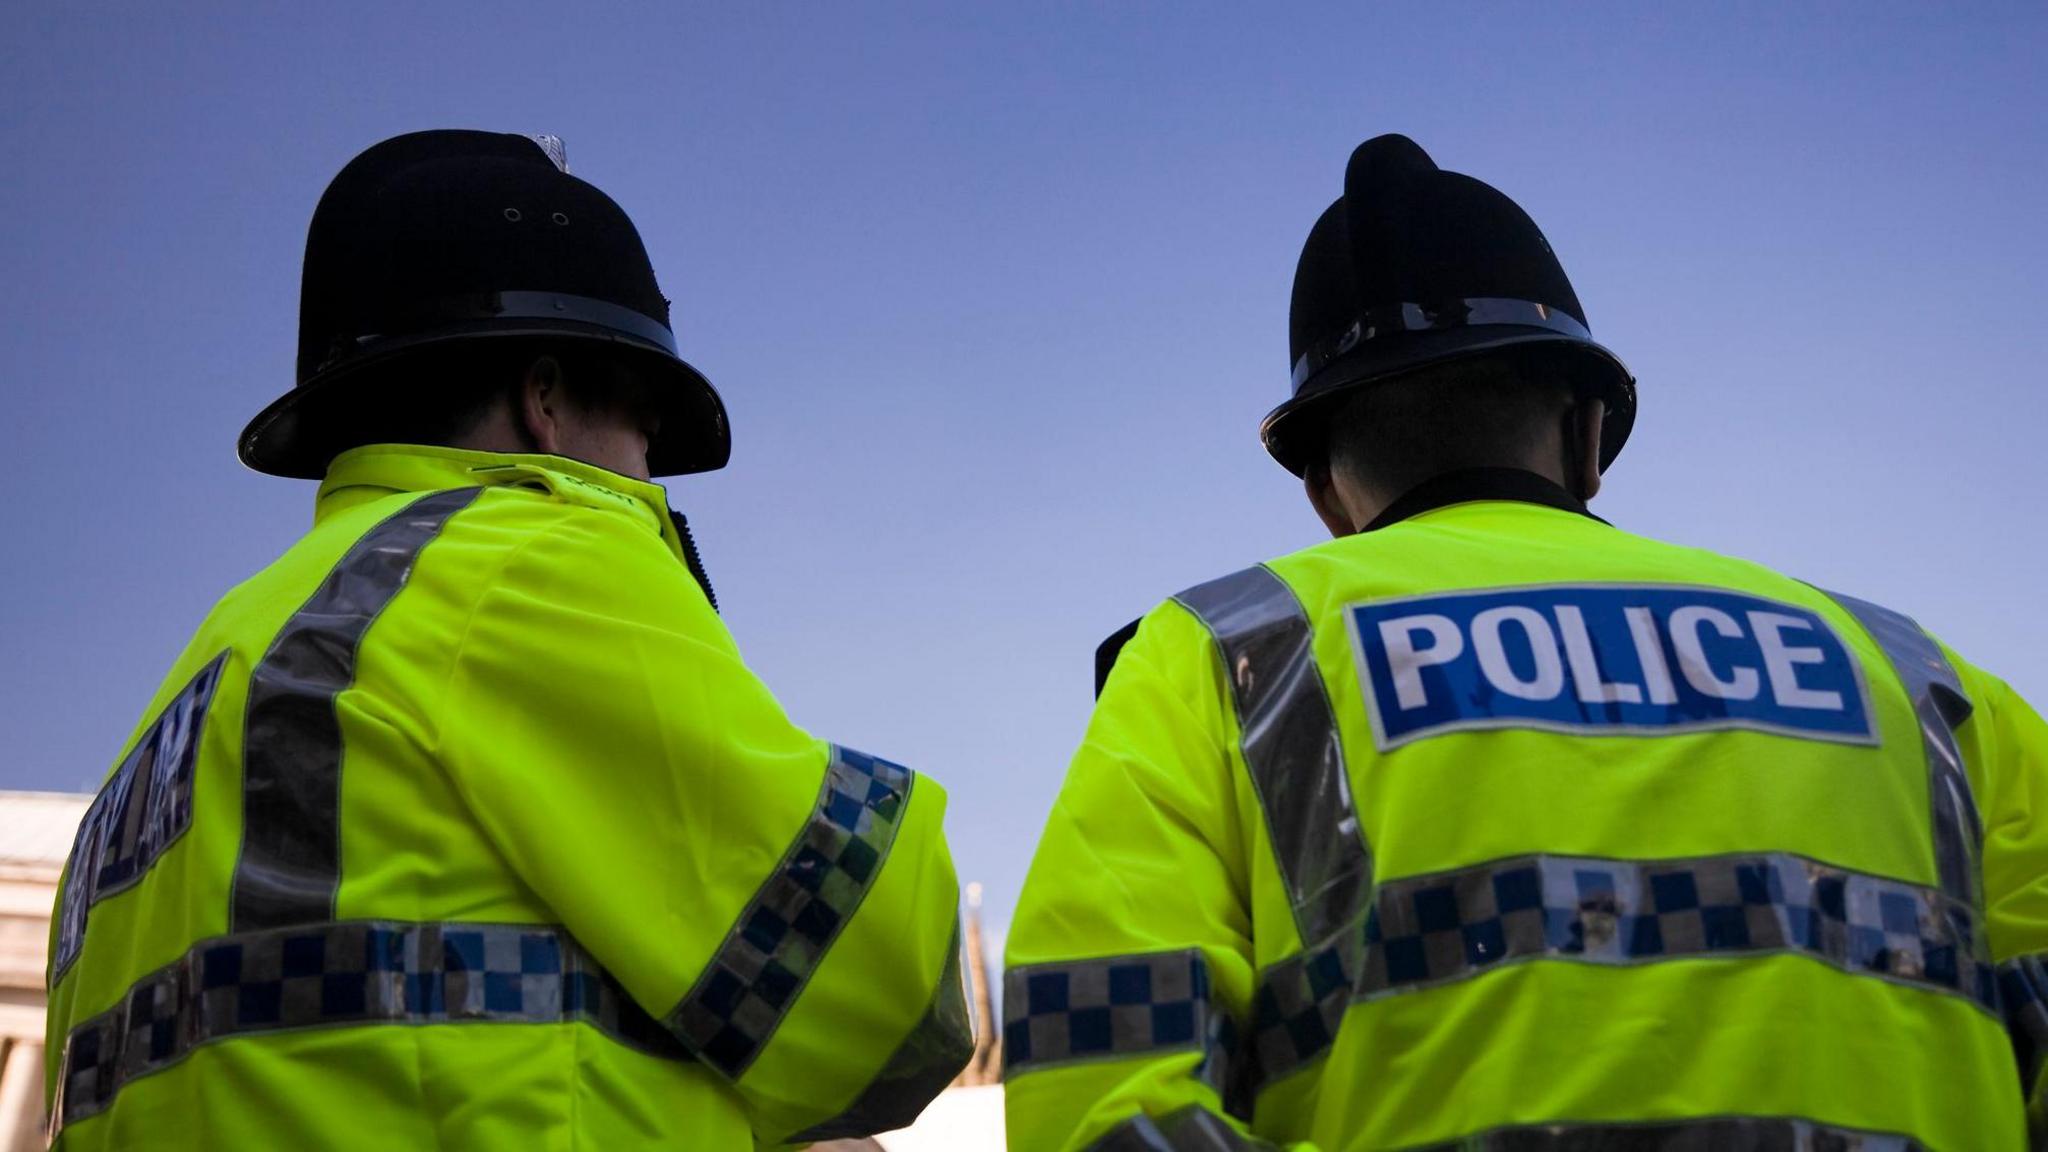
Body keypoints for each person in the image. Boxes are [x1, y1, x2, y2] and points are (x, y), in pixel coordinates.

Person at [1001, 134, 2048, 1150]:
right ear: (1588, 433)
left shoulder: (1221, 655)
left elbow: (1100, 1093)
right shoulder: (1917, 677)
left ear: (1322, 488)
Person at [45, 129, 971, 1149]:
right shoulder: (517, 562)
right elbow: (884, 991)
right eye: (646, 431)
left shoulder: (195, 698)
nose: (648, 475)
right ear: (547, 401)